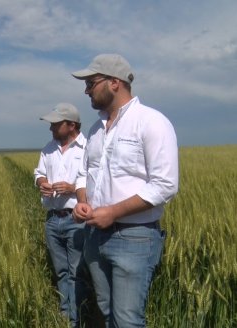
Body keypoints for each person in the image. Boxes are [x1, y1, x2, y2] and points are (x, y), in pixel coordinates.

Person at [71, 54, 179, 327]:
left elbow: (165, 184)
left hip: (135, 238)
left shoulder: (152, 122)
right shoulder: (96, 130)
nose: (86, 91)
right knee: (106, 313)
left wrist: (113, 212)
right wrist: (83, 202)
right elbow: (85, 173)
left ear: (114, 83)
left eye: (91, 83)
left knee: (127, 320)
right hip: (95, 235)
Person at [34, 103, 88, 326]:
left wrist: (73, 188)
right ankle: (66, 316)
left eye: (55, 124)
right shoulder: (48, 148)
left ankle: (78, 319)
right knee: (62, 272)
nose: (51, 129)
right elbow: (38, 173)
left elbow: (97, 182)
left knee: (78, 273)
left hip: (77, 219)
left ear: (71, 125)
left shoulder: (89, 147)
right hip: (53, 219)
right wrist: (42, 182)